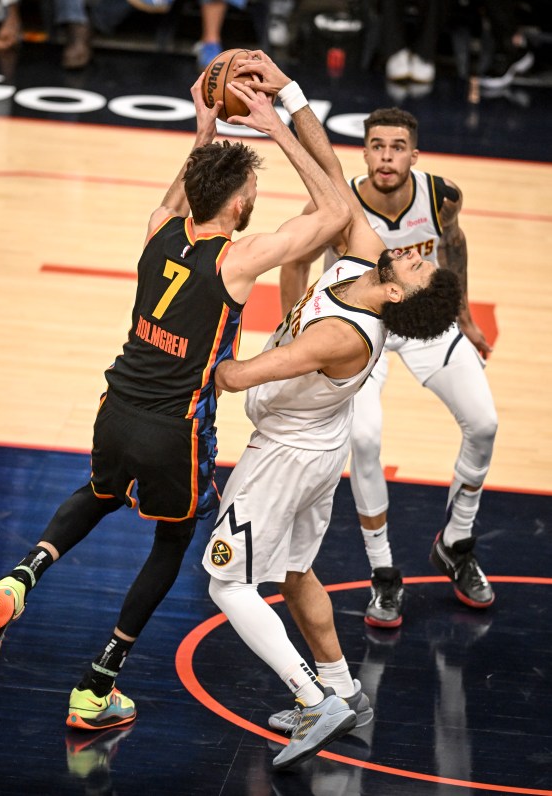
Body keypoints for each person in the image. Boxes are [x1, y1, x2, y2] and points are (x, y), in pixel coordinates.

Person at [0, 72, 350, 731]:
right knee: (173, 543)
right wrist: (277, 126)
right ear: (233, 203)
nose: (254, 194)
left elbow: (184, 189)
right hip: (176, 428)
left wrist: (204, 133)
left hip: (118, 405)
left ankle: (21, 576)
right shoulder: (239, 259)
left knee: (100, 492)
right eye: (249, 188)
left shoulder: (159, 228)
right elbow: (335, 213)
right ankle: (97, 684)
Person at [202, 52, 462, 770]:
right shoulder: (364, 258)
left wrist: (196, 344)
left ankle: (312, 700)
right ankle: (345, 691)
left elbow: (236, 374)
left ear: (407, 295)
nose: (413, 252)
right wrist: (284, 104)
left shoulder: (344, 334)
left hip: (286, 456)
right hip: (319, 452)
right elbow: (331, 186)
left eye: (420, 265)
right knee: (294, 575)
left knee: (226, 581)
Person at [279, 106, 498, 630]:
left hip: (425, 319)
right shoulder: (336, 202)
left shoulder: (442, 195)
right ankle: (383, 574)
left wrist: (463, 314)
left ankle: (456, 543)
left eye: (396, 147)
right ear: (365, 151)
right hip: (363, 325)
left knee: (484, 423)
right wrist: (297, 327)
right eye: (377, 145)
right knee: (367, 441)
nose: (386, 156)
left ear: (413, 155)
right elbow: (294, 261)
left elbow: (455, 245)